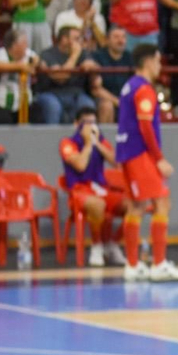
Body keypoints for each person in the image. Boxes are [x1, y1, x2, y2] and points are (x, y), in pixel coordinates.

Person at [115, 45, 178, 282]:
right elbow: (145, 125)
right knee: (162, 202)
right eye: (158, 61)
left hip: (127, 151)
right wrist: (159, 159)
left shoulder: (128, 86)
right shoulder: (144, 89)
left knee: (136, 207)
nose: (160, 66)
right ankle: (158, 264)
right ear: (148, 62)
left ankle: (133, 264)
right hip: (140, 153)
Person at [58, 107, 128, 268]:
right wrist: (89, 145)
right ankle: (97, 245)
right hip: (79, 191)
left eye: (94, 123)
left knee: (135, 204)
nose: (91, 127)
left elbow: (117, 163)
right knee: (97, 205)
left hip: (101, 188)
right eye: (86, 123)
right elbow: (80, 165)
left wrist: (97, 144)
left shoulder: (101, 141)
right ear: (77, 124)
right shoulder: (67, 144)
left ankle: (112, 244)